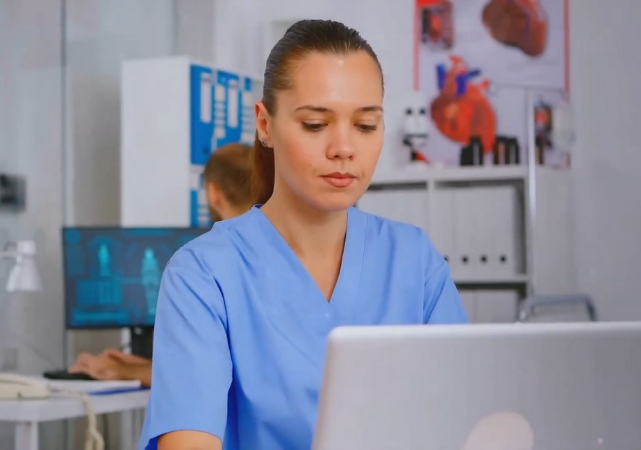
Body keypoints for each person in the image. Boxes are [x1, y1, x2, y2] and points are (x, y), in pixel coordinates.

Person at [139, 19, 468, 450]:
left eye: (366, 125)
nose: (344, 148)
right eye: (316, 124)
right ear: (265, 124)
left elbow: (464, 421)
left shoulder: (415, 262)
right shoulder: (204, 274)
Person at [67, 143, 254, 387]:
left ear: (214, 193)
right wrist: (142, 367)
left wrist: (122, 371)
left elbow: (209, 377)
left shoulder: (215, 266)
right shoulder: (282, 255)